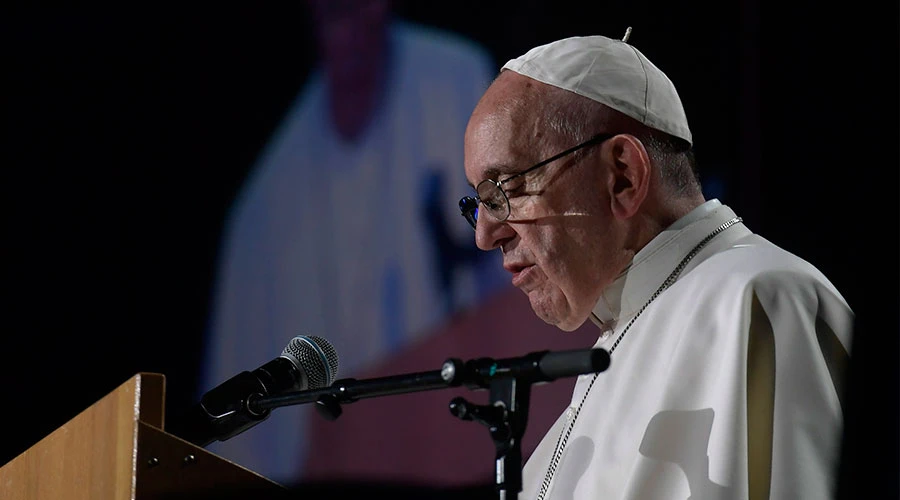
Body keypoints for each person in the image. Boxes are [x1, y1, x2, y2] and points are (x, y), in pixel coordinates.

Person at [458, 30, 854, 499]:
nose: (485, 236)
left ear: (622, 174)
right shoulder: (621, 337)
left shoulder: (758, 298)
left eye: (507, 189)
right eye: (478, 204)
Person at [199, 0, 507, 485]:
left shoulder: (456, 82)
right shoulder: (265, 203)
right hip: (334, 478)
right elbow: (239, 444)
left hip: (463, 455)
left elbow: (515, 270)